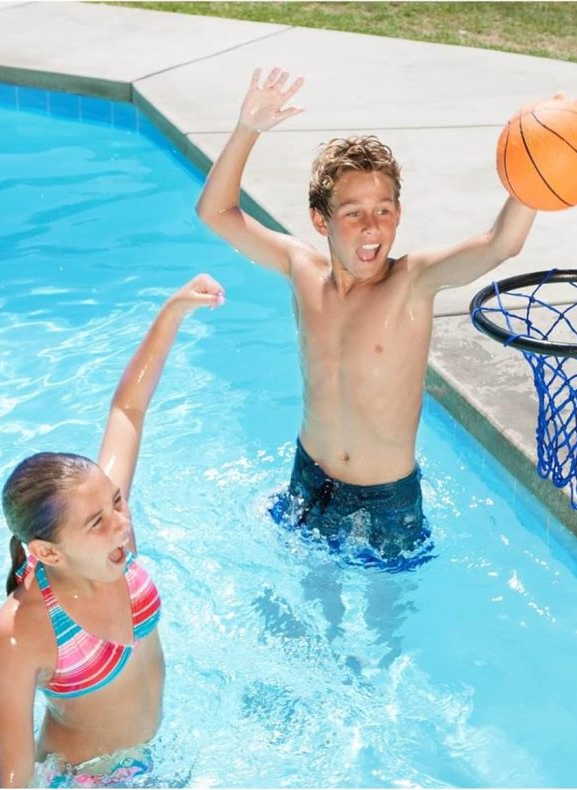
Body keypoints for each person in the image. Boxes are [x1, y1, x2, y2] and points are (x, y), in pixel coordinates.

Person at [196, 67, 538, 566]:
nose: (372, 226)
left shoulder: (411, 284)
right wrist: (248, 129)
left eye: (384, 210)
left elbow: (500, 243)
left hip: (387, 499)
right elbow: (215, 212)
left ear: (399, 214)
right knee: (310, 608)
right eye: (353, 212)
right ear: (321, 220)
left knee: (385, 625)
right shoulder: (301, 269)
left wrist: (535, 172)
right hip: (309, 480)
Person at [0, 275, 225, 787]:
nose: (122, 522)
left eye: (116, 502)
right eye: (98, 521)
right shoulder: (22, 631)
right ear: (48, 551)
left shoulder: (116, 544)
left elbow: (127, 410)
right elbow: (11, 779)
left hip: (154, 758)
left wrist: (173, 312)